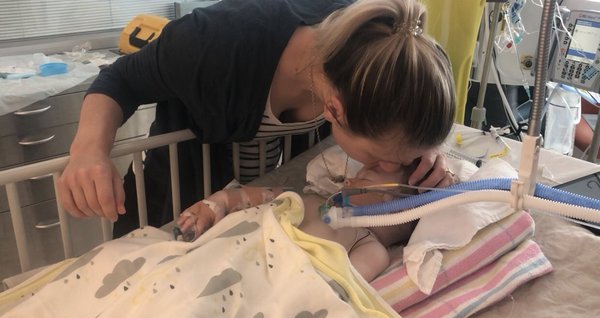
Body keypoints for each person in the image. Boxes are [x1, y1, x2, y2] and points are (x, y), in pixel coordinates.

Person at [57, 0, 456, 238]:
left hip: (260, 192)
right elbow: (120, 78)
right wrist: (88, 150)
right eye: (384, 158)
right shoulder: (215, 43)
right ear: (333, 109)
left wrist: (421, 151)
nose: (393, 171)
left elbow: (401, 110)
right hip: (182, 179)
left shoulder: (374, 52)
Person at [176, 163, 421, 282]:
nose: (349, 179)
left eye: (364, 176)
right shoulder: (318, 199)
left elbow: (335, 288)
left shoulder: (371, 247)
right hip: (236, 248)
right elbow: (264, 197)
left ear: (395, 201)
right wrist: (219, 201)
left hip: (266, 275)